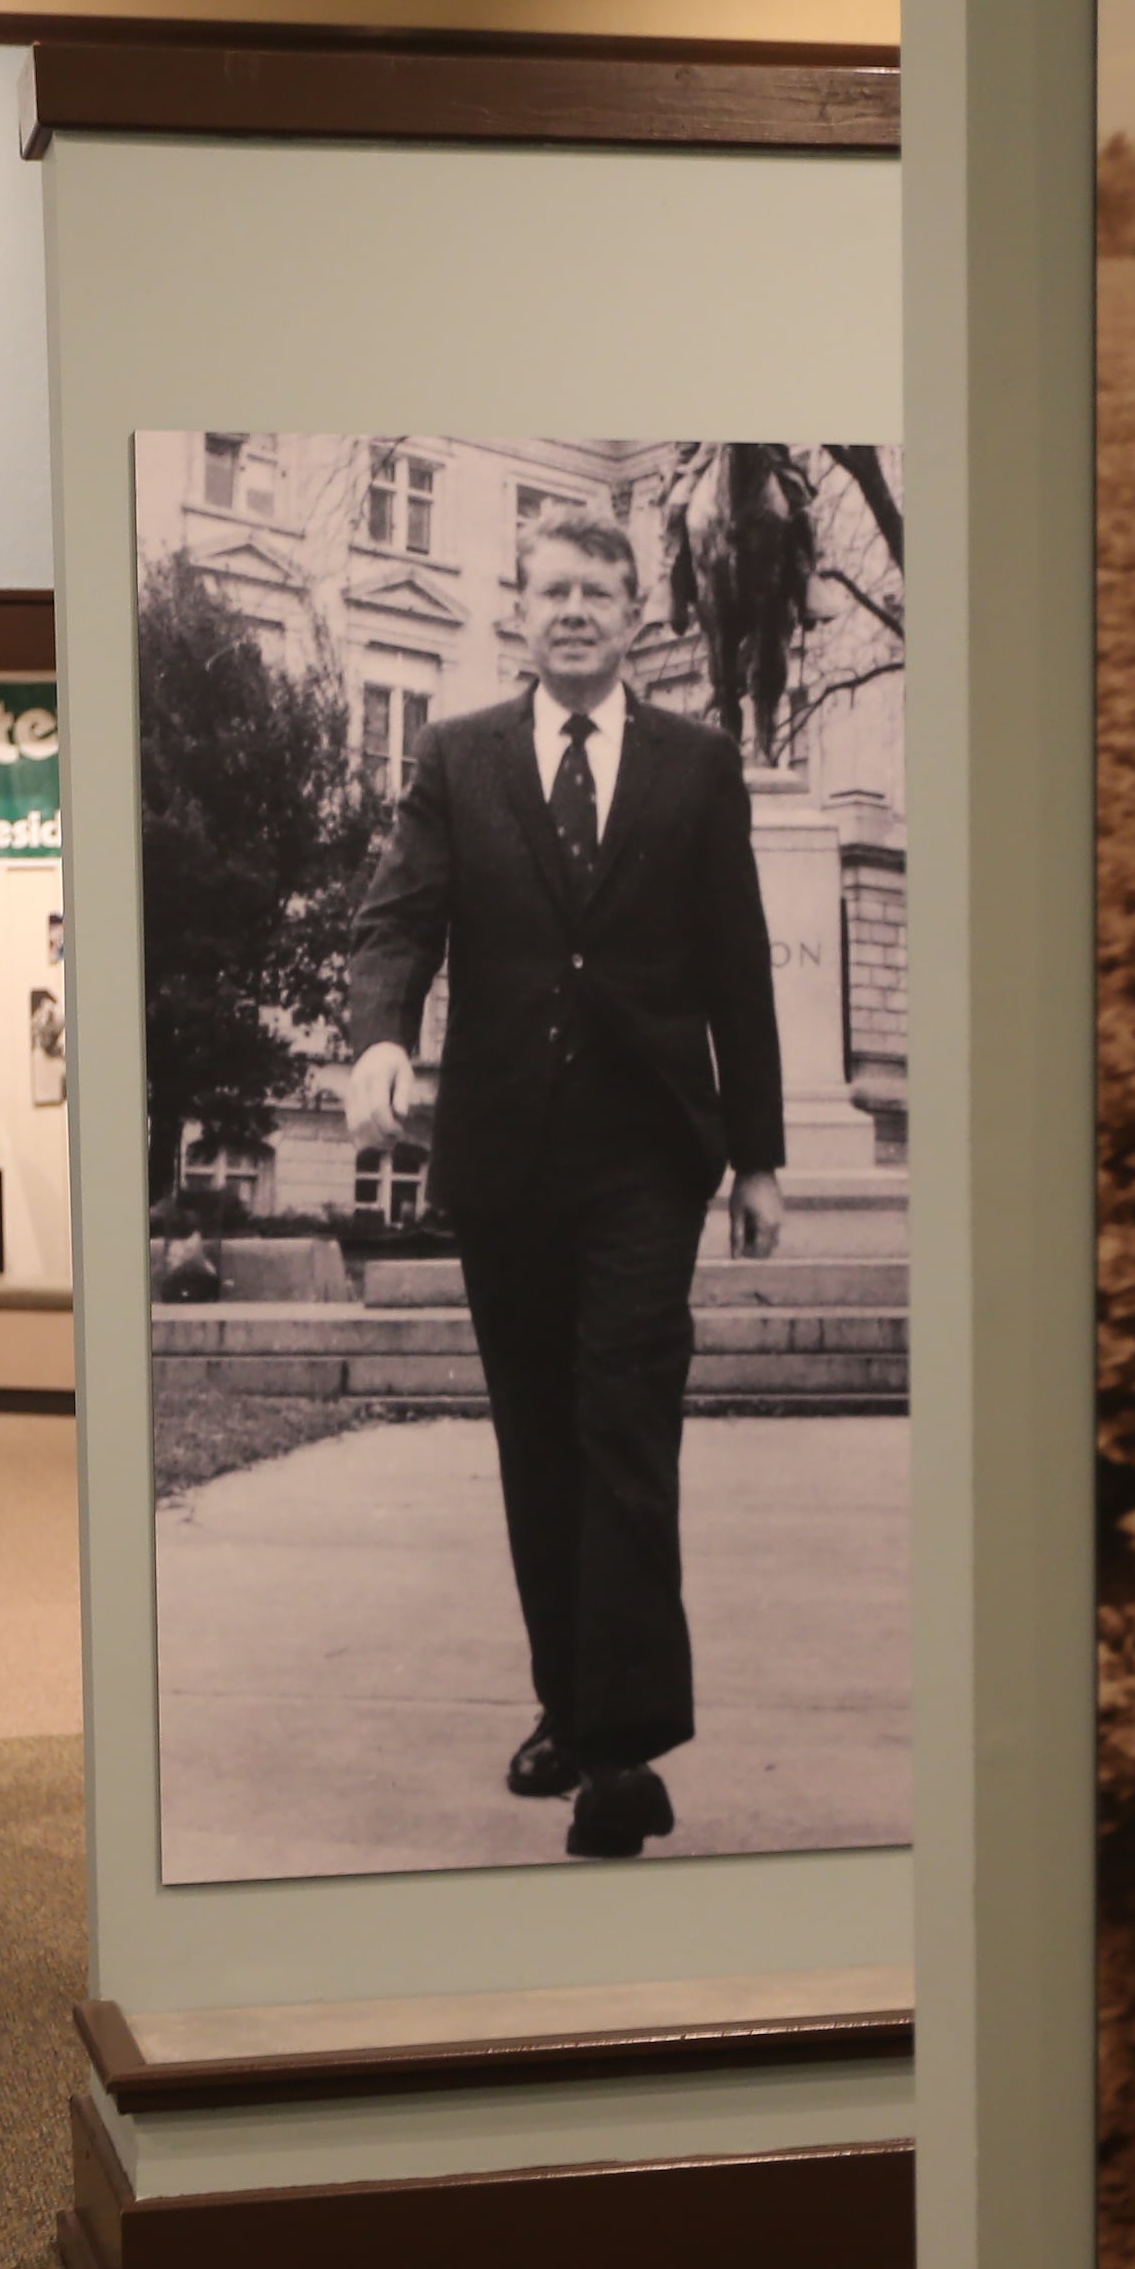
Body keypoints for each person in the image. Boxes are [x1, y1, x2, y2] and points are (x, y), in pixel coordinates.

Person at [345, 503, 788, 1861]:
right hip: (507, 1155)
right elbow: (400, 915)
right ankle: (571, 1702)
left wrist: (758, 1155)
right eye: (555, 590)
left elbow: (737, 963)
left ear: (636, 611)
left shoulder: (697, 766)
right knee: (539, 1441)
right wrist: (378, 1035)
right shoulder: (462, 757)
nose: (577, 610)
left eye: (602, 590)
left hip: (648, 1154)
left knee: (622, 1430)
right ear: (519, 608)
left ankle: (620, 1753)